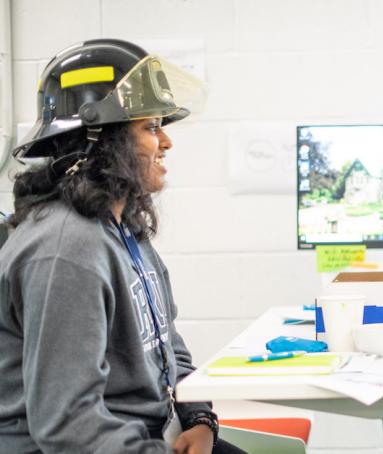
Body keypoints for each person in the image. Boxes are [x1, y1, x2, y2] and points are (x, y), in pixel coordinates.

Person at [0, 39, 244, 453]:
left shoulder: (120, 228)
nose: (166, 142)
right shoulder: (67, 248)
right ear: (102, 139)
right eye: (150, 127)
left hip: (145, 433)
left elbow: (165, 344)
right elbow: (67, 426)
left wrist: (199, 418)